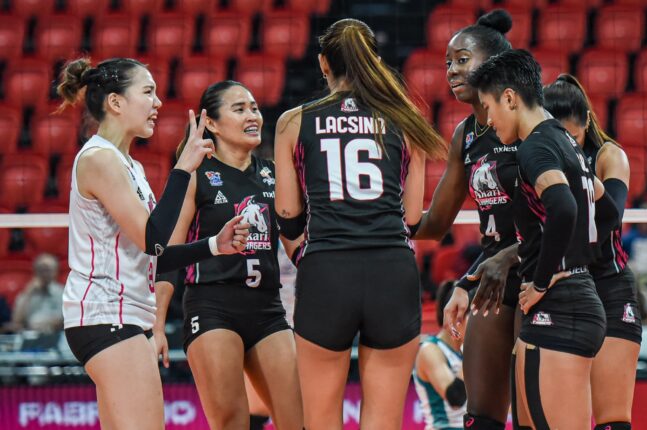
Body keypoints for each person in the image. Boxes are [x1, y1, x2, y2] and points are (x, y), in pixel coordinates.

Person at [57, 57, 249, 430]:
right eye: (147, 92)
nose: (158, 102)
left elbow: (152, 254)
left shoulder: (130, 165)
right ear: (116, 102)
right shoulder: (99, 160)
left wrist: (213, 245)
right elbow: (153, 238)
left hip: (119, 317)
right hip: (108, 316)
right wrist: (184, 168)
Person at [274, 18, 446, 430]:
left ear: (323, 64)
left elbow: (288, 215)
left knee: (319, 420)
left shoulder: (294, 121)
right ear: (375, 61)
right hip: (391, 272)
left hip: (327, 271)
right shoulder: (405, 119)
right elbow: (411, 218)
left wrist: (305, 254)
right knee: (383, 420)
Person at [468, 49, 619, 429]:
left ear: (509, 98)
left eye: (488, 108)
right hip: (571, 302)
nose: (488, 120)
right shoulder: (566, 142)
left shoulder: (535, 147)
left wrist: (544, 278)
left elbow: (564, 208)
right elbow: (608, 213)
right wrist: (576, 260)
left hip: (562, 308)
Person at [155, 80, 303, 430]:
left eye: (254, 108)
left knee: (302, 419)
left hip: (268, 309)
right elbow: (166, 257)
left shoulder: (274, 174)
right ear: (212, 124)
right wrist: (157, 326)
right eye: (239, 109)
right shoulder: (196, 175)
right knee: (232, 422)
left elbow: (297, 247)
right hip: (212, 308)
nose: (252, 116)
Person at [413, 10, 520, 429]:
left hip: (540, 271)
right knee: (480, 417)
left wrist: (505, 258)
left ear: (493, 64)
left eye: (462, 59)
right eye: (448, 63)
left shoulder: (528, 120)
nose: (451, 71)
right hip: (492, 278)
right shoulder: (466, 134)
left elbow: (568, 212)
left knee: (533, 413)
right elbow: (436, 223)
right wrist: (373, 212)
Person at [544, 74, 642, 430]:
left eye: (573, 136)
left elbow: (608, 219)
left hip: (608, 285)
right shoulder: (538, 156)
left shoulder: (609, 155)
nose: (567, 144)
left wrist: (579, 172)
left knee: (612, 420)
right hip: (563, 288)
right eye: (559, 137)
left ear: (586, 121)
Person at [413, 281, 467, 430]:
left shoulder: (464, 351)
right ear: (456, 315)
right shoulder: (430, 350)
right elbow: (455, 398)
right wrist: (475, 351)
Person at [11, 254, 63, 333]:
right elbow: (16, 321)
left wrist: (46, 324)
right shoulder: (27, 292)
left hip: (55, 334)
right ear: (35, 271)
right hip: (29, 335)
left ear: (55, 271)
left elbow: (64, 319)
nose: (45, 274)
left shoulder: (62, 292)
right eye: (41, 269)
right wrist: (28, 294)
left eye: (48, 270)